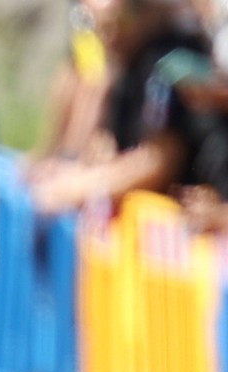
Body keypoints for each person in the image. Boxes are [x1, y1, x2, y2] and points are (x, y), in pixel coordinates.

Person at [29, 0, 218, 214]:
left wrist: (79, 187)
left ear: (143, 16)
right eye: (96, 26)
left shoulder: (171, 60)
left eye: (113, 25)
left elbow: (159, 161)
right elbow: (108, 145)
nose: (105, 37)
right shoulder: (127, 64)